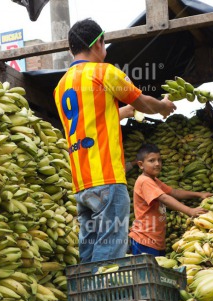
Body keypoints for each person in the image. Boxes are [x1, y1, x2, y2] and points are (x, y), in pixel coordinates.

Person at [53, 19, 177, 263]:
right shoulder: (104, 72)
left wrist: (119, 113)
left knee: (88, 253)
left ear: (71, 50)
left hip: (81, 184)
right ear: (98, 43)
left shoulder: (61, 86)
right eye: (104, 42)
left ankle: (88, 298)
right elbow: (142, 102)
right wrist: (162, 106)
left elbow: (86, 123)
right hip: (108, 180)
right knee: (109, 254)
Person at [129, 144, 212, 256]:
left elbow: (173, 192)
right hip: (145, 240)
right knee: (148, 272)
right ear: (141, 165)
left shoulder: (154, 181)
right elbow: (164, 197)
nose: (157, 164)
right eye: (152, 161)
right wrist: (189, 211)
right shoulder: (144, 181)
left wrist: (199, 195)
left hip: (156, 240)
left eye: (159, 160)